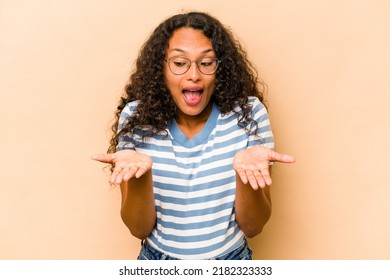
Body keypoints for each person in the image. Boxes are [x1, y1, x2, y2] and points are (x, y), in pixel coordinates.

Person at [92, 11, 295, 260]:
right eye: (179, 63)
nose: (194, 74)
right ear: (160, 69)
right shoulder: (136, 118)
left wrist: (245, 177)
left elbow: (253, 227)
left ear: (220, 68)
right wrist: (141, 178)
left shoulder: (249, 113)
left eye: (206, 63)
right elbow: (138, 229)